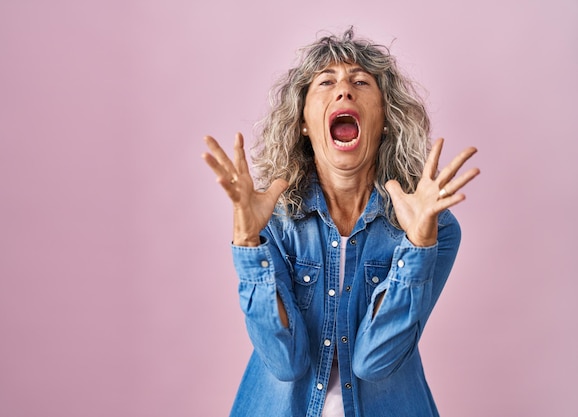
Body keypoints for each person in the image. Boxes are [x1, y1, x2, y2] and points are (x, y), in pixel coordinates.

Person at [202, 27, 479, 417]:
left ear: (385, 119)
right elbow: (284, 362)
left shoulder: (438, 228)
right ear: (302, 122)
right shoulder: (272, 220)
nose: (344, 90)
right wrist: (248, 242)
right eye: (326, 82)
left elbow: (375, 361)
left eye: (361, 81)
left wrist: (418, 245)